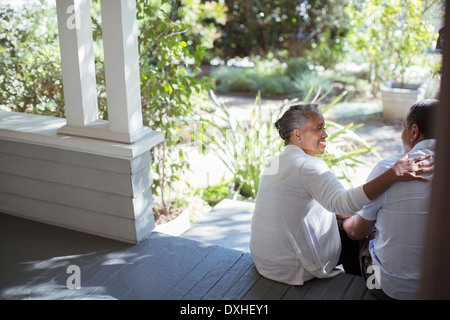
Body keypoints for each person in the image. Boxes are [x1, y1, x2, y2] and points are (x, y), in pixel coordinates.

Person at [249, 104, 433, 286]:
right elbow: (344, 204)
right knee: (355, 234)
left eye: (324, 127)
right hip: (295, 269)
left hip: (266, 262)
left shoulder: (274, 163)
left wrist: (342, 215)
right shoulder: (309, 165)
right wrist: (393, 173)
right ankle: (358, 288)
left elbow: (297, 206)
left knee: (349, 222)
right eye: (318, 128)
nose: (325, 134)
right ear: (298, 135)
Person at [342, 99, 438, 299]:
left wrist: (344, 220)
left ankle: (368, 289)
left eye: (403, 129)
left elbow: (356, 232)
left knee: (357, 234)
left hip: (389, 290)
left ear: (414, 131)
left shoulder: (390, 168)